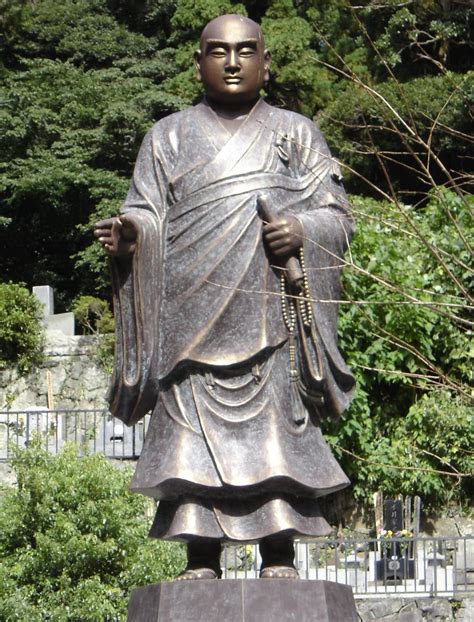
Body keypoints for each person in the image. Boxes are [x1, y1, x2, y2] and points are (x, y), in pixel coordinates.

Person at [94, 14, 355, 581]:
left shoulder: (297, 133)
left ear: (266, 62)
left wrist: (303, 231)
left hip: (268, 314)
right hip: (190, 315)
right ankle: (200, 554)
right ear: (198, 63)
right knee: (193, 435)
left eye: (244, 51)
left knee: (275, 436)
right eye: (218, 51)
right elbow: (145, 212)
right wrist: (133, 238)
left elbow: (338, 216)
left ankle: (279, 552)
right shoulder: (167, 137)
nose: (232, 62)